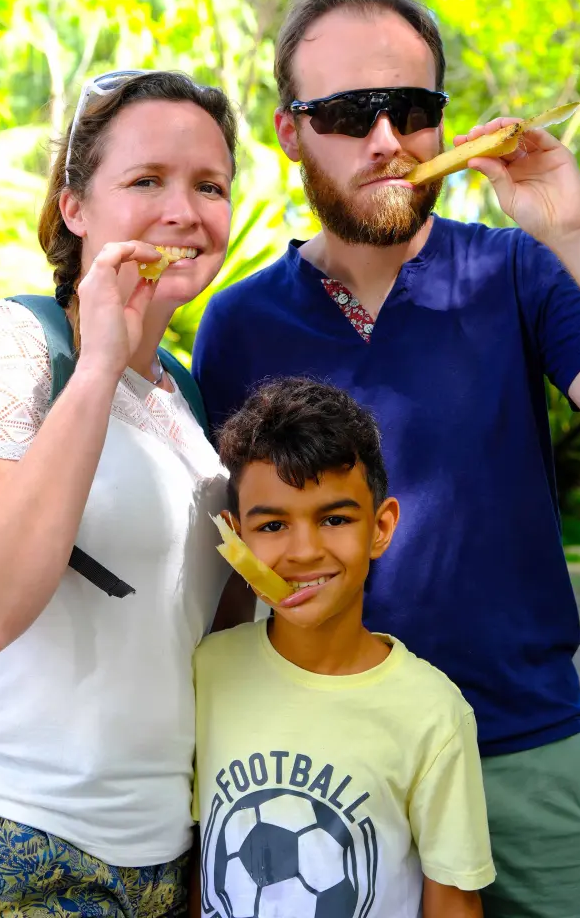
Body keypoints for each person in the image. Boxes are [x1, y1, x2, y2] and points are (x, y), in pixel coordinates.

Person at [192, 0, 580, 918]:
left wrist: (572, 228)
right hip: (334, 769)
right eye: (347, 112)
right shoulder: (237, 323)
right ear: (290, 132)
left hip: (525, 753)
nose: (386, 140)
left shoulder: (517, 271)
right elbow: (238, 564)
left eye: (412, 109)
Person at [0, 70, 239, 916]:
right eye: (146, 180)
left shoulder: (190, 404)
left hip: (157, 861)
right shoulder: (13, 344)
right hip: (14, 844)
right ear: (74, 206)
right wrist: (101, 358)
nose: (183, 210)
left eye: (208, 186)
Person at [192, 376, 495, 918]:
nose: (304, 550)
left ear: (380, 527)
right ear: (237, 538)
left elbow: (453, 900)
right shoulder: (206, 673)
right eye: (273, 524)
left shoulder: (433, 714)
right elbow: (202, 864)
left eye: (334, 519)